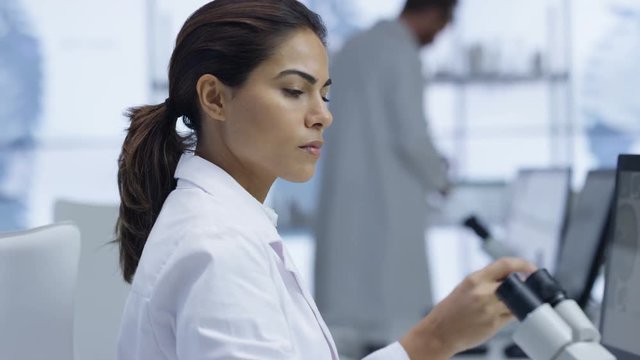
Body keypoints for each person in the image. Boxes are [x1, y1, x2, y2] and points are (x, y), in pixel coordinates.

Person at [115, 1, 535, 359]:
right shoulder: (219, 251)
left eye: (324, 94)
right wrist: (435, 338)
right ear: (215, 98)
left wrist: (431, 341)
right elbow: (413, 138)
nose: (323, 116)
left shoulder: (230, 228)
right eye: (295, 90)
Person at [314, 0, 455, 354]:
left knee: (348, 327)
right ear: (435, 14)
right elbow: (412, 136)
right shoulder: (401, 52)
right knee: (397, 326)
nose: (439, 36)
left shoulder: (354, 48)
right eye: (442, 26)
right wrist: (441, 178)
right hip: (389, 211)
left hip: (346, 208)